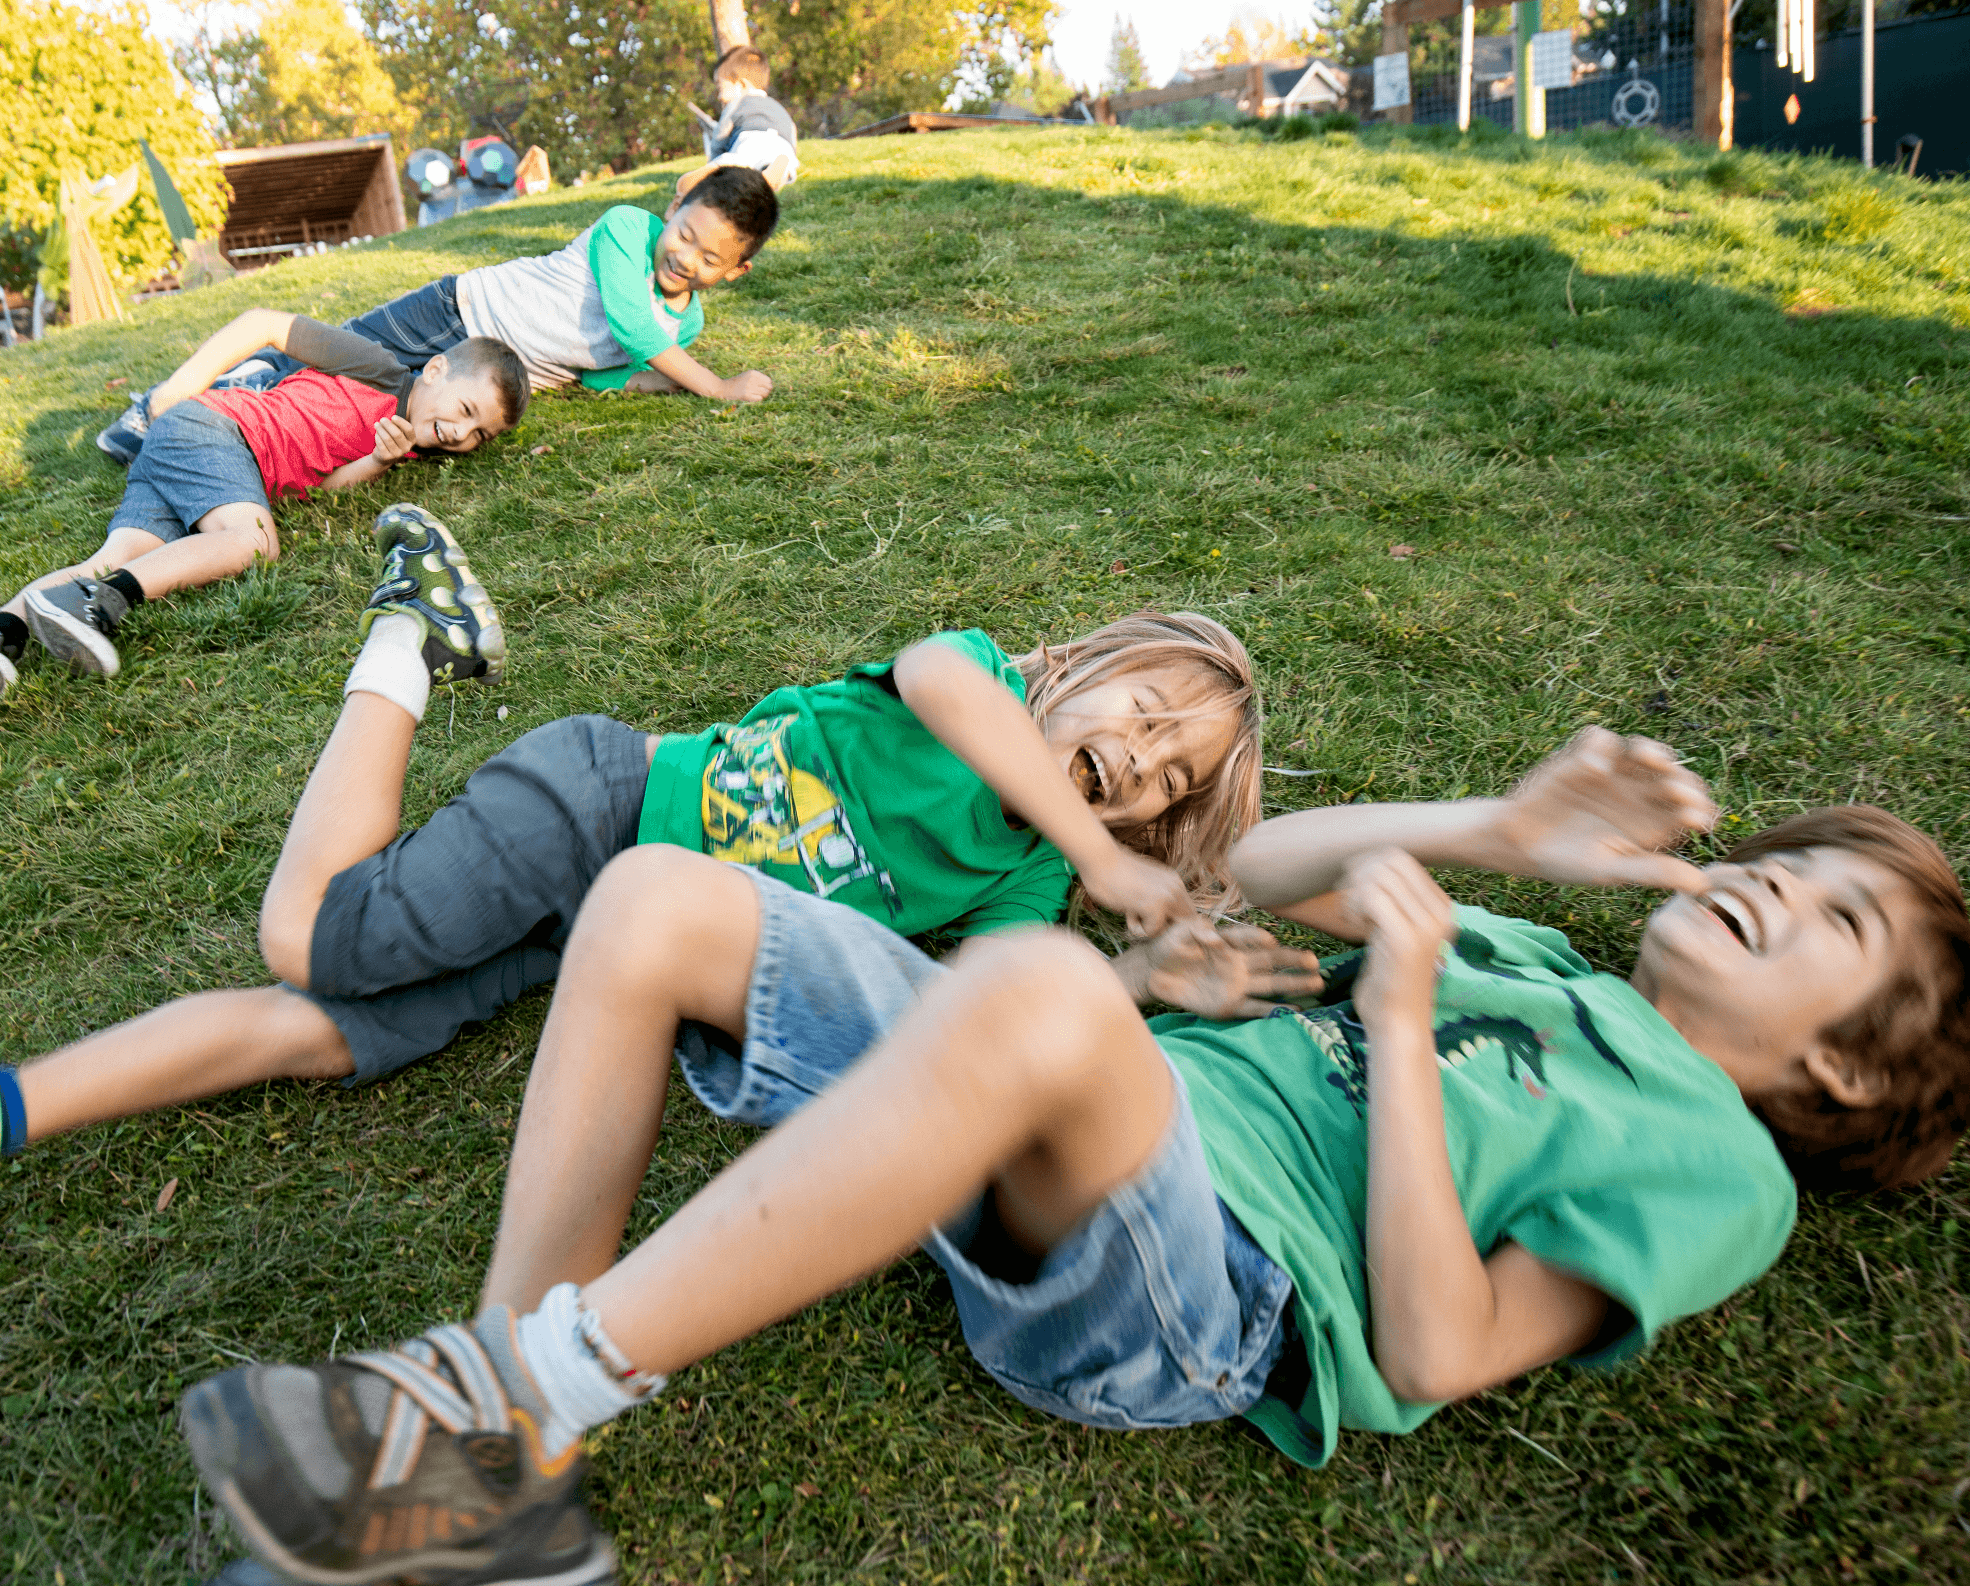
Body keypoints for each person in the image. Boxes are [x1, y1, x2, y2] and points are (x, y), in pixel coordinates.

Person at [177, 729, 1970, 1585]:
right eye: (1788, 856)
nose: (1768, 880)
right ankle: (486, 1464)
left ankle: (519, 1400)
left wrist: (1404, 1024)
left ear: (1839, 1063)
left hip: (1202, 1295)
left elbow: (1432, 1351)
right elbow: (1265, 877)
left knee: (1038, 990)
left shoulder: (1709, 1168)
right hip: (1066, 1100)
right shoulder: (1534, 958)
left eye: (1825, 920)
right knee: (646, 902)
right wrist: (1496, 834)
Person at [0, 505, 1266, 1153]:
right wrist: (1105, 855)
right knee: (311, 936)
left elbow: (993, 1001)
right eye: (1146, 712)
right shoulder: (975, 680)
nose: (1143, 758)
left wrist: (1137, 973)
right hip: (594, 802)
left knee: (333, 1034)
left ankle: (18, 1105)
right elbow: (940, 679)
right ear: (1083, 665)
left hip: (599, 941)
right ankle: (407, 637)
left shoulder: (1029, 874)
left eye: (1169, 778)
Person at [93, 167, 780, 465]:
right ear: (673, 211)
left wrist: (677, 381)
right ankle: (160, 407)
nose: (687, 258)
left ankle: (231, 420)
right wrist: (717, 387)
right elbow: (632, 328)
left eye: (712, 258)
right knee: (322, 354)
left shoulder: (682, 334)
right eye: (686, 235)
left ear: (736, 270)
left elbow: (611, 373)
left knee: (351, 416)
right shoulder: (627, 229)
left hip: (484, 385)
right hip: (455, 315)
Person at [1, 311, 524, 696]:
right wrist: (179, 387)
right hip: (216, 429)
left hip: (207, 465)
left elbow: (323, 486)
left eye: (479, 434)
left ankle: (7, 631)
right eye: (465, 409)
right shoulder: (382, 370)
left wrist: (379, 461)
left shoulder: (401, 441)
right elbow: (265, 324)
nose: (460, 432)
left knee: (113, 556)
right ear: (434, 370)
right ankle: (103, 602)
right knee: (255, 542)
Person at [672, 44, 802, 207]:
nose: (719, 96)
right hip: (782, 147)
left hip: (751, 140)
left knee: (735, 161)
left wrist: (715, 158)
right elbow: (792, 130)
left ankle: (708, 177)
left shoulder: (737, 103)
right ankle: (775, 172)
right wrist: (790, 151)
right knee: (780, 164)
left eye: (720, 87)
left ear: (741, 85)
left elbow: (721, 133)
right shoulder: (778, 107)